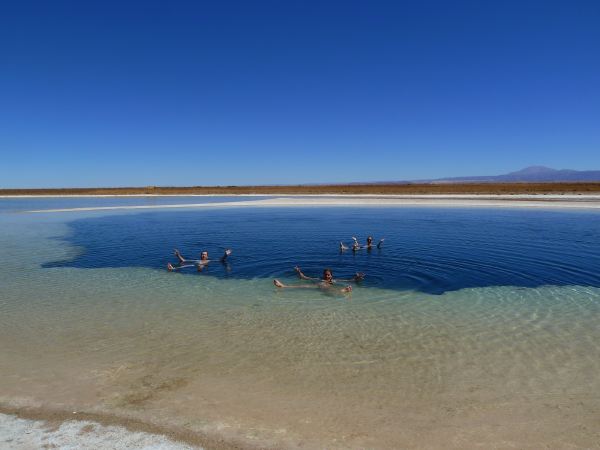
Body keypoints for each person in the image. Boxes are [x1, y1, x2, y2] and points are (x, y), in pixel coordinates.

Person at [273, 267, 362, 293]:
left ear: (331, 275)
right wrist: (299, 271)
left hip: (325, 288)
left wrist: (357, 278)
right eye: (326, 274)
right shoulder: (318, 279)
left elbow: (349, 281)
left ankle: (344, 290)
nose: (327, 276)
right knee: (303, 286)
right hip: (318, 286)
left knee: (331, 289)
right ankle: (283, 286)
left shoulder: (333, 281)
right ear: (323, 275)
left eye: (329, 275)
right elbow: (305, 277)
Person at [167, 248, 231, 272]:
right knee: (186, 265)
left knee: (201, 265)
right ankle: (173, 269)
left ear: (207, 256)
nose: (203, 255)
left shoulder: (209, 260)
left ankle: (200, 269)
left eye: (205, 254)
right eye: (202, 254)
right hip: (195, 265)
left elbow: (220, 260)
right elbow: (184, 260)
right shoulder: (196, 260)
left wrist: (225, 255)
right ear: (200, 255)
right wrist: (178, 255)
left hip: (203, 265)